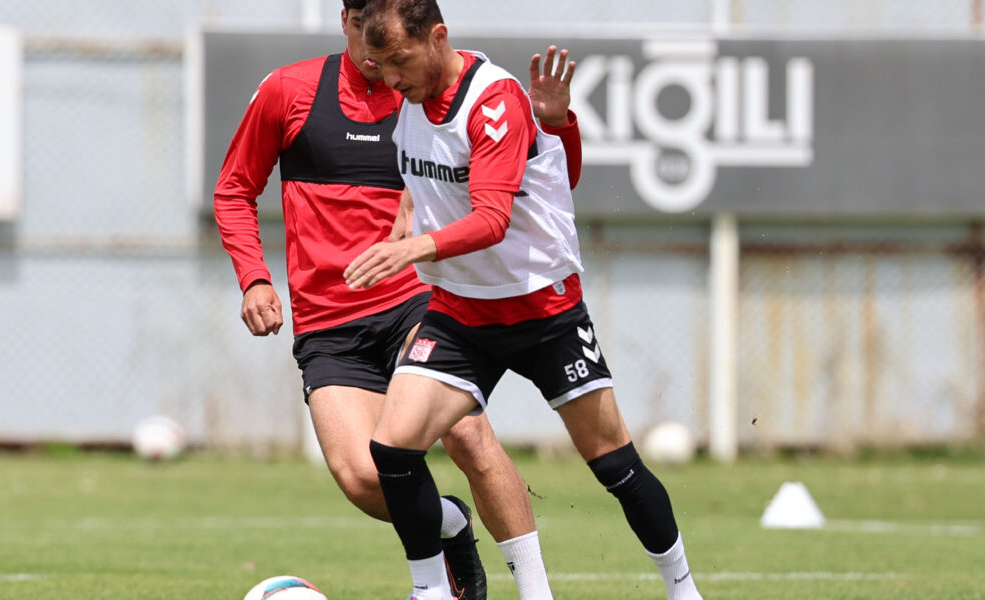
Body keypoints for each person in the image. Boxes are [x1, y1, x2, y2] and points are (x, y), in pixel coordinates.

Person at [214, 2, 582, 599]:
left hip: (418, 301)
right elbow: (234, 189)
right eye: (365, 26)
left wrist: (559, 125)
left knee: (467, 436)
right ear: (346, 20)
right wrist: (254, 277)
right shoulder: (287, 90)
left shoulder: (430, 95)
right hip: (327, 321)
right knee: (362, 476)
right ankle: (450, 523)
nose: (378, 49)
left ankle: (531, 591)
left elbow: (531, 179)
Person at [345, 1, 705, 599]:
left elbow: (494, 218)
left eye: (400, 60)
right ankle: (433, 591)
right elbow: (425, 176)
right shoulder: (408, 99)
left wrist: (414, 249)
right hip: (461, 311)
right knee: (392, 448)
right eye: (380, 65)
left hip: (544, 311)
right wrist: (406, 218)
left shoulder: (492, 100)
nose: (390, 77)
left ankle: (683, 588)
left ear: (438, 37)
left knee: (614, 465)